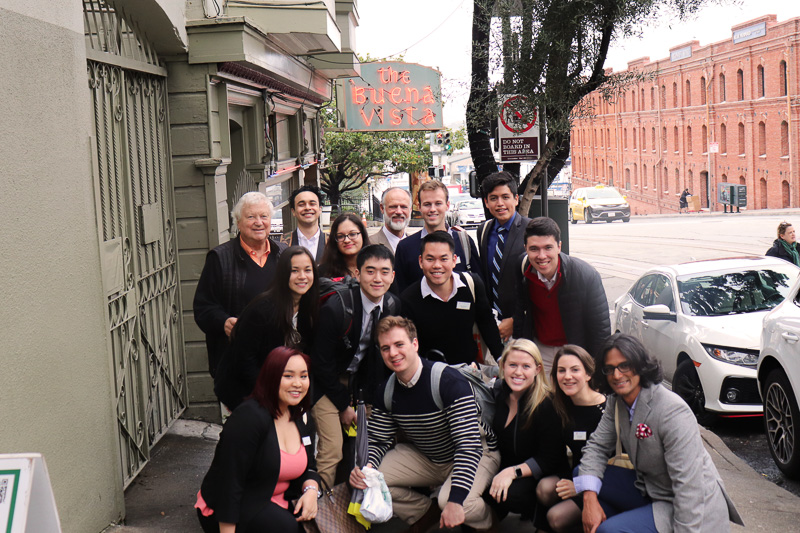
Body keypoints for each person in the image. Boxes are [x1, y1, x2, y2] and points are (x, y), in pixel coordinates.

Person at [576, 334, 743, 533]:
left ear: (639, 364)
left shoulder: (672, 411)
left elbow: (689, 487)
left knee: (609, 531)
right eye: (610, 369)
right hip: (650, 487)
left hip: (685, 502)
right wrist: (589, 500)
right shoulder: (617, 400)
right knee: (581, 475)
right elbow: (597, 447)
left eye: (624, 365)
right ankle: (622, 522)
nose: (617, 375)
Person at [349, 316, 501, 532]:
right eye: (385, 348)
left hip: (479, 452)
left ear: (415, 344)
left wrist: (455, 500)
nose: (393, 353)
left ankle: (490, 524)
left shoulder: (448, 382)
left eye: (399, 344)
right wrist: (367, 467)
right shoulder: (386, 390)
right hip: (430, 457)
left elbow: (469, 446)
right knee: (367, 481)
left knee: (459, 502)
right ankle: (423, 512)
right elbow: (378, 439)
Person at [195, 346, 320, 533]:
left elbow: (310, 467)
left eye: (303, 376)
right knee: (289, 528)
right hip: (237, 503)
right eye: (288, 376)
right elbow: (229, 480)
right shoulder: (249, 417)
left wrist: (311, 491)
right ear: (271, 377)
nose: (298, 383)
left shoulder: (302, 418)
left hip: (278, 498)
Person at [311, 244, 401, 487]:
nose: (377, 278)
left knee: (365, 449)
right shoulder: (337, 308)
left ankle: (354, 508)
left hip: (359, 386)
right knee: (332, 451)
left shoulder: (392, 306)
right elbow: (321, 364)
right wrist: (343, 405)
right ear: (357, 274)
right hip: (325, 381)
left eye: (384, 272)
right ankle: (318, 511)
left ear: (393, 276)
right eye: (370, 271)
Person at [193, 192, 287, 377]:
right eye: (251, 217)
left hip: (280, 360)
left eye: (264, 216)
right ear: (238, 222)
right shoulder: (220, 259)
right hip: (238, 363)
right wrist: (223, 322)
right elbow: (203, 307)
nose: (258, 222)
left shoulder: (284, 255)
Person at [214, 247, 319, 410]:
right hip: (248, 391)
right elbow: (244, 360)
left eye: (308, 270)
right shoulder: (263, 309)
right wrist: (269, 396)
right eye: (295, 271)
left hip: (285, 391)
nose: (302, 276)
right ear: (283, 274)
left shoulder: (309, 308)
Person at [513, 217, 610, 373]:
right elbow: (520, 313)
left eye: (548, 248)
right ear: (526, 248)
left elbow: (600, 329)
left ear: (559, 246)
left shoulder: (585, 275)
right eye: (534, 249)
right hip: (540, 351)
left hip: (574, 351)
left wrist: (595, 369)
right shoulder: (523, 268)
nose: (541, 255)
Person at [487, 339, 569, 524]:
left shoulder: (547, 404)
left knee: (509, 495)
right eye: (513, 365)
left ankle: (537, 514)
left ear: (537, 370)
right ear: (502, 366)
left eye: (526, 366)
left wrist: (511, 473)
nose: (518, 372)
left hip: (540, 473)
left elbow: (549, 459)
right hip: (504, 466)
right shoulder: (498, 393)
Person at [401, 231, 503, 365]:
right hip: (431, 375)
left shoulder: (471, 285)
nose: (437, 265)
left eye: (444, 259)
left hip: (469, 372)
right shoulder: (409, 299)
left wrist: (502, 359)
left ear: (454, 260)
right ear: (421, 261)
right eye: (430, 259)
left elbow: (487, 323)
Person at [535, 345, 607, 533]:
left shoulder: (605, 410)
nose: (567, 376)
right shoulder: (559, 406)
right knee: (544, 488)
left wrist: (581, 487)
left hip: (603, 481)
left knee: (556, 518)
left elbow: (613, 463)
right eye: (561, 370)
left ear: (588, 374)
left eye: (575, 370)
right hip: (575, 474)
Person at [394, 180, 483, 292]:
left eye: (438, 203)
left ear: (447, 205)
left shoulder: (464, 242)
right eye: (427, 204)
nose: (432, 209)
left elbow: (479, 286)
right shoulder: (405, 247)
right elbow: (400, 292)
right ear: (419, 207)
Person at [476, 172, 531, 342]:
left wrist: (516, 320)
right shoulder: (483, 231)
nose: (500, 204)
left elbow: (541, 284)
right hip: (494, 325)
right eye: (493, 198)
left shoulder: (532, 230)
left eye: (505, 197)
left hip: (524, 326)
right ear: (486, 202)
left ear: (516, 199)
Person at [281, 185, 326, 262]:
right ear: (293, 211)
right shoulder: (282, 243)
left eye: (312, 204)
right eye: (301, 205)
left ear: (320, 209)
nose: (307, 208)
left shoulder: (332, 242)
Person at [319, 213, 370, 279]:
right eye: (340, 236)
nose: (347, 240)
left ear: (363, 235)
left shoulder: (376, 267)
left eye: (352, 234)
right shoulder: (323, 273)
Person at [370, 187, 412, 253]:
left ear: (410, 209)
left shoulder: (418, 244)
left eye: (404, 207)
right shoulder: (369, 244)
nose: (399, 212)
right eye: (393, 207)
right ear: (382, 208)